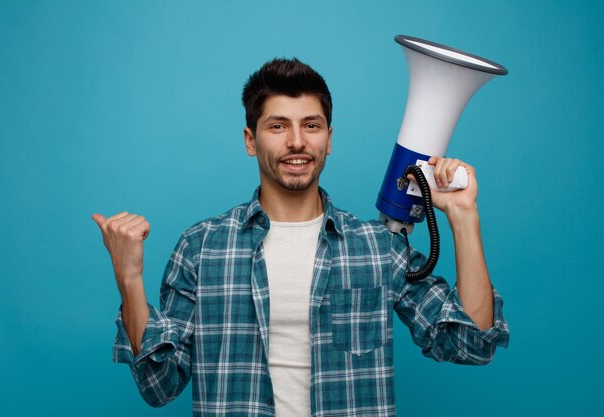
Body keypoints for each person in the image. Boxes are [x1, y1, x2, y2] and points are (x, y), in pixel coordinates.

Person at [92, 58, 509, 417]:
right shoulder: (201, 247)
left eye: (312, 125)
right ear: (250, 141)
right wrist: (129, 279)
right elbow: (158, 384)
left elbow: (472, 343)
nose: (297, 141)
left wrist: (463, 216)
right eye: (278, 126)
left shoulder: (378, 248)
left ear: (330, 140)